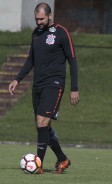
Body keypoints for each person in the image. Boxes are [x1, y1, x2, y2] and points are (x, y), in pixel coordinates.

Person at [8, 3, 79, 174]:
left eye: (41, 19)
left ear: (50, 16)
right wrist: (17, 79)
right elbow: (30, 60)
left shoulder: (62, 32)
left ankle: (38, 164)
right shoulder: (36, 33)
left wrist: (74, 88)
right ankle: (62, 158)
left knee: (42, 122)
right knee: (42, 127)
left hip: (54, 84)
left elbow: (73, 60)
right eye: (36, 19)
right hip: (37, 85)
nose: (38, 22)